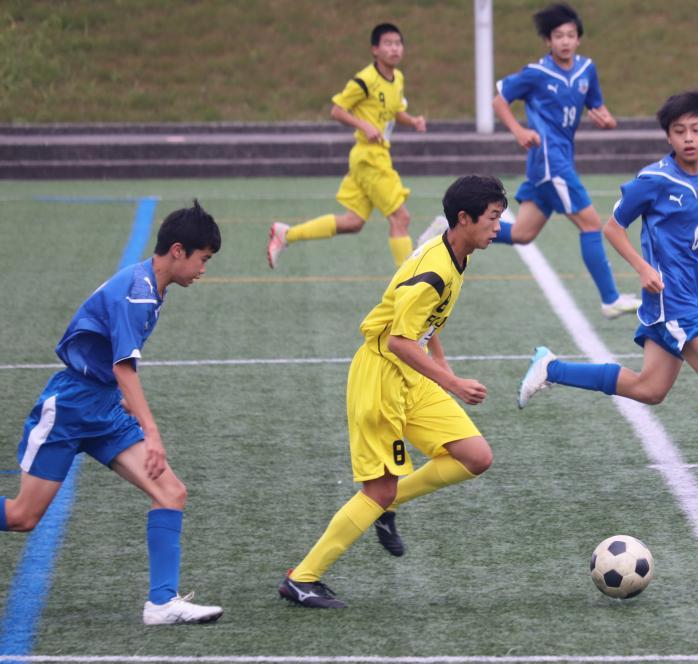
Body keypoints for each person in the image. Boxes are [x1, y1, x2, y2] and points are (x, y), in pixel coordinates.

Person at [517, 90, 698, 500]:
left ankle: (552, 369)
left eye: (696, 129)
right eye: (679, 131)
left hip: (687, 296)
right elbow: (612, 227)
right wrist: (642, 268)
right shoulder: (653, 179)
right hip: (669, 300)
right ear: (668, 137)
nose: (688, 138)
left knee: (649, 390)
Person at [279, 175, 508, 609]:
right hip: (381, 377)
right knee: (378, 490)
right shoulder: (434, 272)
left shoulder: (455, 253)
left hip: (412, 375)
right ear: (464, 218)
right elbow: (400, 340)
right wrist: (452, 383)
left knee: (475, 456)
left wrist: (442, 366)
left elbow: (425, 324)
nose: (498, 227)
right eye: (493, 218)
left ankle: (386, 501)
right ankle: (302, 578)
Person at [1, 202, 225, 624]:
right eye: (203, 259)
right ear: (178, 251)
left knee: (171, 493)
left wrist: (121, 402)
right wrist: (151, 431)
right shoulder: (138, 292)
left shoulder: (151, 286)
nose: (202, 269)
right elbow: (123, 367)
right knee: (22, 517)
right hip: (70, 407)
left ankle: (161, 604)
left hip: (101, 406)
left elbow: (109, 361)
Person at [489, 2, 640, 321]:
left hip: (554, 163)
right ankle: (610, 299)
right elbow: (499, 100)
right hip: (549, 161)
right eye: (558, 36)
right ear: (548, 41)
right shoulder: (537, 73)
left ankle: (453, 228)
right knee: (591, 223)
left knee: (522, 233)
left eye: (571, 35)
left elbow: (598, 109)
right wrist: (519, 130)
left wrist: (608, 122)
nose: (565, 41)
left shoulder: (587, 70)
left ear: (579, 38)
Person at [267, 22, 427, 271]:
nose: (394, 48)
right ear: (375, 49)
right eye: (388, 43)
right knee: (400, 217)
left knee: (353, 222)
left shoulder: (398, 79)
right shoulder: (365, 80)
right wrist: (364, 125)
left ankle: (286, 234)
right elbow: (337, 110)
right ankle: (407, 282)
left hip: (371, 157)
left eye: (398, 43)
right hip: (370, 158)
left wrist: (413, 121)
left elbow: (395, 112)